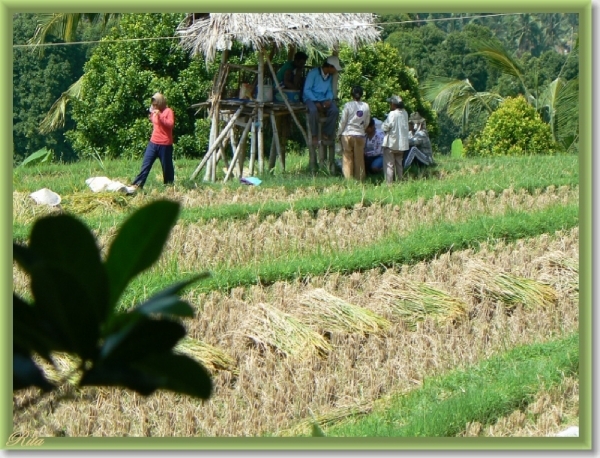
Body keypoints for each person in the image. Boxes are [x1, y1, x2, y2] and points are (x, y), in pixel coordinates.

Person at [130, 92, 175, 190]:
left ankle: (169, 187)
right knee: (146, 164)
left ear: (161, 103)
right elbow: (154, 121)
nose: (154, 106)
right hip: (153, 142)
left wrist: (160, 116)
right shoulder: (154, 110)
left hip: (165, 144)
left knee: (167, 167)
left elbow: (170, 124)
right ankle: (137, 185)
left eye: (156, 104)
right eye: (153, 104)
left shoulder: (168, 111)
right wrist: (152, 114)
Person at [303, 55, 342, 146]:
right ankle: (314, 135)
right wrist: (315, 101)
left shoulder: (330, 76)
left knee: (335, 110)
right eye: (334, 68)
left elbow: (329, 90)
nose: (335, 71)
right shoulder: (313, 73)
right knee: (313, 110)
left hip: (323, 99)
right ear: (329, 67)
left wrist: (329, 100)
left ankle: (326, 132)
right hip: (310, 98)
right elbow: (307, 90)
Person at [336, 85, 370, 180]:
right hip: (360, 134)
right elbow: (367, 122)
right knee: (359, 158)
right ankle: (360, 179)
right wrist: (361, 129)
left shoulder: (348, 105)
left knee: (347, 158)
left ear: (352, 95)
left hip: (347, 134)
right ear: (361, 95)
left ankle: (348, 179)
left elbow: (343, 121)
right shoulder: (366, 106)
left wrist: (338, 133)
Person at [381, 95, 409, 184]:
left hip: (391, 143)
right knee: (399, 164)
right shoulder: (405, 113)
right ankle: (400, 182)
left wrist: (383, 123)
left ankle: (389, 184)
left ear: (393, 104)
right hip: (402, 144)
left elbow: (386, 127)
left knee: (389, 165)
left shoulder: (392, 114)